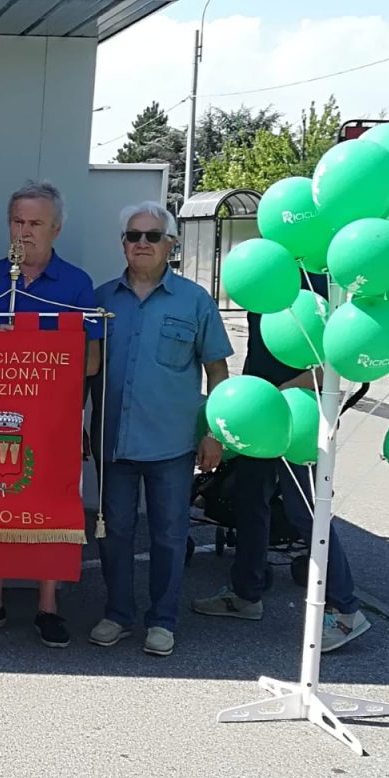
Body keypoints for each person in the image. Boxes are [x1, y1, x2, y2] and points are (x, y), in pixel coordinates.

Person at [193, 270, 371, 652]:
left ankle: (346, 611)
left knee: (305, 511)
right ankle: (246, 594)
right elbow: (259, 355)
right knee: (248, 499)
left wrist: (277, 395)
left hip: (300, 416)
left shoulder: (323, 286)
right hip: (262, 413)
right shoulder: (266, 278)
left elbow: (331, 366)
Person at [0, 180, 102, 648]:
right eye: (18, 222)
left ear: (56, 228)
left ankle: (47, 605)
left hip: (53, 417)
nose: (25, 231)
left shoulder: (78, 283)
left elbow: (93, 359)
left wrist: (35, 352)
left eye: (35, 223)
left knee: (49, 506)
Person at [91, 202, 231, 656]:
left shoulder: (195, 300)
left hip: (172, 443)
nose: (142, 244)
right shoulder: (100, 300)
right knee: (115, 533)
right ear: (123, 244)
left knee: (169, 535)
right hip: (114, 440)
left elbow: (217, 371)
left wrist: (213, 432)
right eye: (134, 236)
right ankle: (117, 613)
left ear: (171, 244)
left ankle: (163, 620)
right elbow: (80, 372)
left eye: (153, 236)